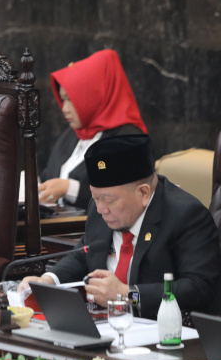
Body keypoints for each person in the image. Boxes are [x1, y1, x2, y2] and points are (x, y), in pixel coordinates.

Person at [20, 134, 221, 319]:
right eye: (95, 197)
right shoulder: (100, 209)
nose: (101, 209)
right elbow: (84, 253)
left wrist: (127, 295)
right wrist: (48, 281)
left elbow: (198, 289)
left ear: (143, 193)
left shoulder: (186, 216)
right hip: (105, 323)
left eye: (109, 201)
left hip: (163, 333)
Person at [37, 49, 147, 210]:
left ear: (92, 96)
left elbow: (125, 200)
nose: (64, 109)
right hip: (55, 230)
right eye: (62, 100)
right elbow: (48, 177)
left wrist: (69, 188)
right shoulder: (71, 136)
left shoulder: (127, 140)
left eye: (71, 100)